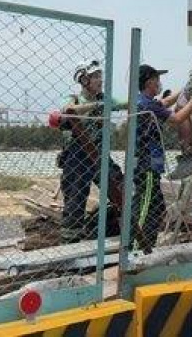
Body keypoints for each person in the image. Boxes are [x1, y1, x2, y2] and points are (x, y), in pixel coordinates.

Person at [132, 64, 192, 252]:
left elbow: (166, 103)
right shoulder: (146, 105)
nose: (160, 83)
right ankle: (138, 247)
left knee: (156, 205)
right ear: (150, 82)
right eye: (157, 79)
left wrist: (186, 90)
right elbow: (177, 118)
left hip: (148, 166)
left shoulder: (144, 102)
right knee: (145, 208)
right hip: (146, 166)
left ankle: (148, 244)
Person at [58, 60, 126, 244]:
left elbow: (124, 103)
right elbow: (66, 112)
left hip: (100, 154)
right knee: (75, 199)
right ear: (84, 80)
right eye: (95, 76)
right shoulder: (74, 99)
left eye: (100, 76)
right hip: (77, 156)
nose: (100, 80)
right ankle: (70, 243)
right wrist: (95, 107)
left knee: (121, 187)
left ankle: (126, 230)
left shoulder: (104, 99)